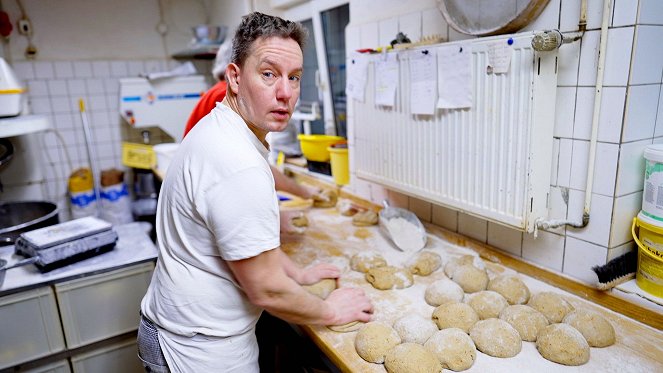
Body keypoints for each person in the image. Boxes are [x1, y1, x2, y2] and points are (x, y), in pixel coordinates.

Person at [137, 12, 373, 373]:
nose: (285, 93)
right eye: (268, 74)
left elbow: (240, 240)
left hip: (181, 329)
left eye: (293, 78)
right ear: (234, 77)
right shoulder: (238, 163)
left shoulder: (224, 130)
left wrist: (296, 274)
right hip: (195, 351)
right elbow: (266, 291)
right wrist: (331, 310)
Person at [183, 34, 316, 201]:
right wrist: (302, 193)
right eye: (267, 74)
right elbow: (249, 167)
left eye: (292, 77)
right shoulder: (227, 96)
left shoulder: (218, 91)